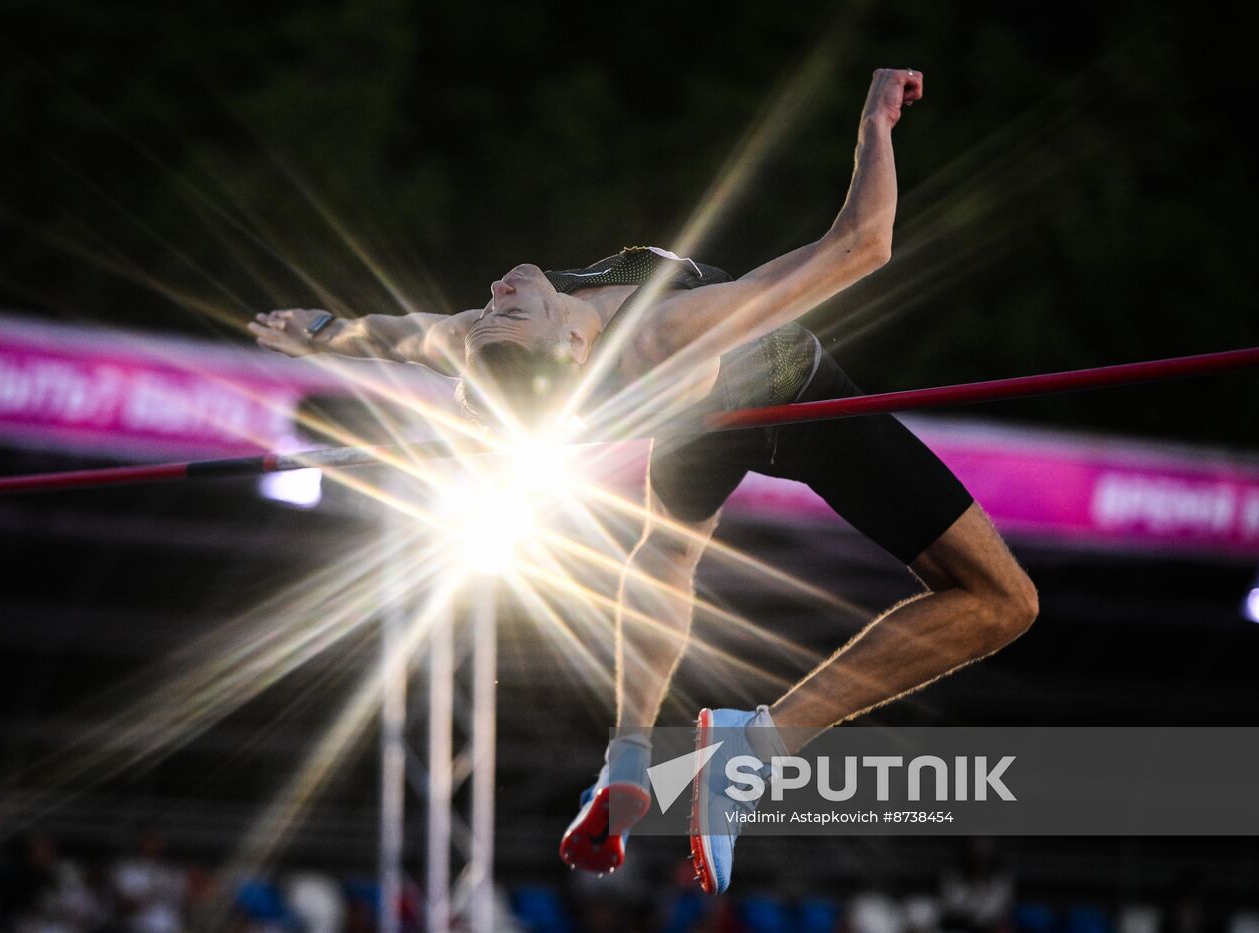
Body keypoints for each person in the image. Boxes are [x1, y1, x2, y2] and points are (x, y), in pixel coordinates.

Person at [250, 67, 1037, 895]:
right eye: (509, 310)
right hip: (790, 393)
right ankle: (754, 749)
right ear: (570, 352)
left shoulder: (488, 341)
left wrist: (322, 331)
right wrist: (874, 122)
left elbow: (402, 336)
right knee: (1003, 601)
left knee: (665, 553)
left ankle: (625, 762)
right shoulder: (662, 333)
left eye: (492, 308)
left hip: (698, 429)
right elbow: (863, 244)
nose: (494, 292)